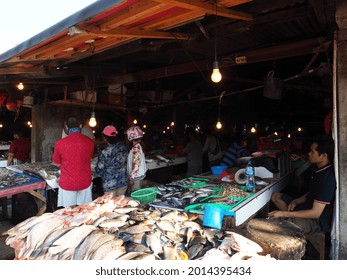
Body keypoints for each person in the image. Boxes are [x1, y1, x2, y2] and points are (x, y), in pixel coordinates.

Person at [268, 135, 336, 234]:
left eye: (312, 152)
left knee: (277, 225)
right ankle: (288, 217)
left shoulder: (327, 178)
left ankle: (287, 219)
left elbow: (315, 213)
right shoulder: (317, 169)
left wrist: (283, 213)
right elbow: (312, 192)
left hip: (315, 221)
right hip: (306, 207)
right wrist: (297, 201)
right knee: (276, 196)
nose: (309, 154)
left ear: (323, 156)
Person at [52, 116, 95, 208]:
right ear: (80, 126)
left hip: (68, 182)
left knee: (69, 212)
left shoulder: (60, 143)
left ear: (66, 127)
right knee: (84, 210)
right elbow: (89, 158)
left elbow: (57, 163)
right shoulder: (90, 142)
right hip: (85, 181)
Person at [95, 125, 128, 196]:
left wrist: (95, 168)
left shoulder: (105, 152)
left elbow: (99, 169)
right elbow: (125, 159)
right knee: (121, 204)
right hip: (122, 181)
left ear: (105, 137)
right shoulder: (123, 147)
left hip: (109, 184)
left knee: (111, 205)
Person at [126, 126, 147, 192]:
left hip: (136, 177)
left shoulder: (136, 148)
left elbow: (136, 164)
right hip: (138, 175)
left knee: (135, 194)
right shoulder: (138, 146)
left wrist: (131, 179)